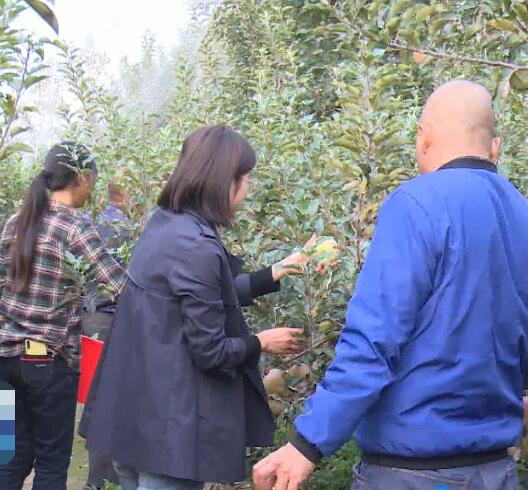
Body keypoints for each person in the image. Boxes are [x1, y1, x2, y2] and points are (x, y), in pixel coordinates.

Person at [253, 80, 528, 490]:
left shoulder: (416, 204)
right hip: (494, 472)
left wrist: (308, 443)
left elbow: (373, 342)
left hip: (411, 474)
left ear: (424, 138)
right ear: (495, 147)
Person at [80, 125, 310, 490]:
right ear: (224, 181)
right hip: (169, 440)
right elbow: (211, 351)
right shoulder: (196, 246)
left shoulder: (166, 226)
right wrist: (261, 342)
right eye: (246, 178)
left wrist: (273, 273)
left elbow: (191, 300)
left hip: (135, 423)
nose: (248, 190)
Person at [0, 142, 126, 490]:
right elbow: (120, 285)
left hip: (4, 364)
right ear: (81, 178)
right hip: (46, 363)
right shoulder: (74, 227)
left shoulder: (15, 223)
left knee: (6, 459)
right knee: (52, 463)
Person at [82, 182, 133, 490]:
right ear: (126, 195)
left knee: (94, 401)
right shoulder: (125, 228)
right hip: (110, 320)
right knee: (107, 403)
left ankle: (96, 480)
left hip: (89, 318)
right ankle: (102, 481)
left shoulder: (95, 223)